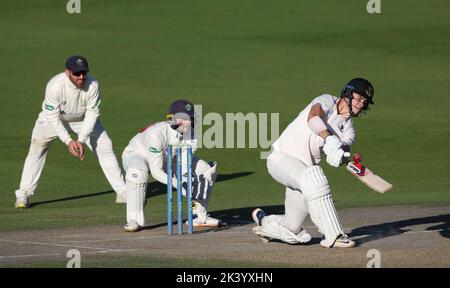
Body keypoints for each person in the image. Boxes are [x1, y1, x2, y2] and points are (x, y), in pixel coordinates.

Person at [252, 78, 375, 248]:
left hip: (302, 174)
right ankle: (335, 236)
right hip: (281, 159)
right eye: (359, 98)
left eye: (365, 102)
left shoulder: (349, 131)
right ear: (347, 93)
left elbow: (341, 151)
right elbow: (313, 118)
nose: (361, 104)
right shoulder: (326, 101)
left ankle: (264, 222)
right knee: (315, 177)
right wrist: (329, 138)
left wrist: (338, 155)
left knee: (293, 231)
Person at [14, 55, 127, 208]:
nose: (81, 77)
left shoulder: (92, 85)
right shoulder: (55, 86)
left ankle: (122, 191)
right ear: (67, 72)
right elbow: (52, 116)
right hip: (55, 118)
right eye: (77, 73)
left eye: (84, 73)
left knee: (104, 145)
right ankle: (23, 194)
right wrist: (68, 141)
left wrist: (80, 140)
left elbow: (92, 114)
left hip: (82, 119)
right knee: (37, 147)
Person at [122, 99, 220, 232]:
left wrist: (188, 181)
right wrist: (180, 185)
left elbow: (185, 162)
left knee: (205, 170)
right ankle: (134, 220)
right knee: (138, 173)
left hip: (169, 158)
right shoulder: (157, 134)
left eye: (190, 118)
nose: (188, 122)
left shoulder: (192, 133)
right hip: (138, 154)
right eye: (184, 118)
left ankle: (199, 216)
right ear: (172, 118)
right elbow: (156, 172)